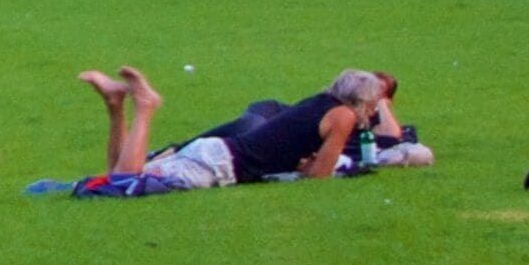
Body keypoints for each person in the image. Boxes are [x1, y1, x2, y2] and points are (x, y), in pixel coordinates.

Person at [62, 65, 430, 194]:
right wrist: (311, 169)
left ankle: (114, 106)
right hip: (221, 165)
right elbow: (318, 178)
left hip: (215, 152)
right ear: (362, 101)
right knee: (124, 183)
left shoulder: (318, 103)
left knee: (115, 180)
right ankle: (144, 107)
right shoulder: (343, 117)